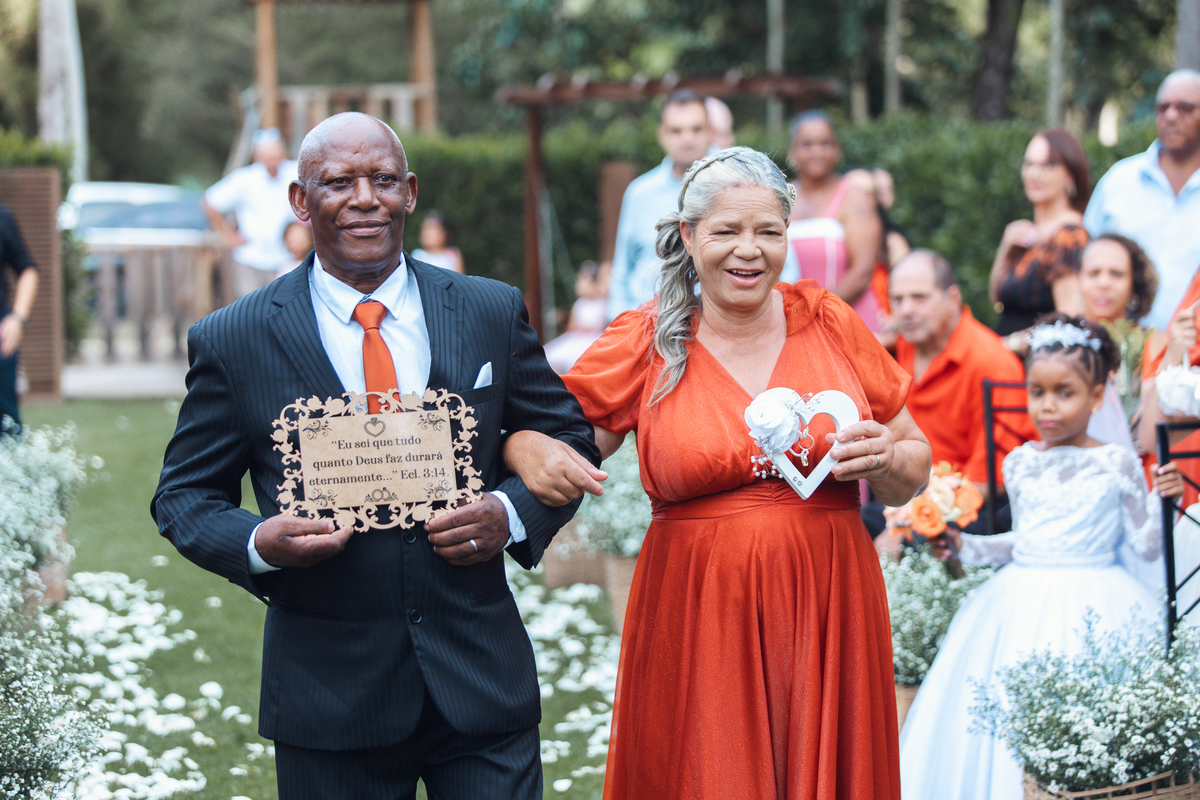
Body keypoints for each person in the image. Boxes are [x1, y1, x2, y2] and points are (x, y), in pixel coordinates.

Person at [152, 112, 599, 800]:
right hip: (330, 694)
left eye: (383, 179)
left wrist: (507, 515)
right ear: (301, 201)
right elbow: (183, 497)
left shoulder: (489, 309)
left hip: (480, 677)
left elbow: (568, 437)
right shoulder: (234, 337)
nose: (365, 199)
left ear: (409, 192)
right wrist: (259, 543)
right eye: (339, 182)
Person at [504, 147, 932, 799]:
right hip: (700, 606)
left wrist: (888, 459)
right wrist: (519, 449)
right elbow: (560, 440)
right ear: (688, 234)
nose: (749, 250)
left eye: (769, 232)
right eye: (727, 230)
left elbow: (914, 461)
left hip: (830, 600)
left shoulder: (829, 322)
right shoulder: (649, 338)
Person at [898, 315, 1183, 800]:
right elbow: (1022, 542)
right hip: (1018, 599)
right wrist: (965, 545)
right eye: (1037, 392)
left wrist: (1164, 502)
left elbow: (1147, 546)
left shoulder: (1116, 462)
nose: (1047, 406)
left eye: (1064, 393)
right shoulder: (1021, 462)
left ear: (1097, 396)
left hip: (1099, 599)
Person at [888, 250, 1037, 500]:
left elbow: (991, 481)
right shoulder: (902, 347)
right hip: (904, 496)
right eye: (897, 299)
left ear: (953, 298)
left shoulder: (994, 364)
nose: (906, 310)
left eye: (919, 297)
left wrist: (913, 514)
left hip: (966, 507)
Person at [1085, 69, 1200, 331]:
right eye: (1163, 108)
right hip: (1123, 345)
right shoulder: (1119, 181)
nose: (1171, 116)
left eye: (1185, 108)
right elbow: (1086, 262)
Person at [608, 89, 712, 318]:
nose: (687, 138)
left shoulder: (738, 187)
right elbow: (622, 270)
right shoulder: (640, 193)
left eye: (696, 129)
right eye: (676, 130)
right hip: (647, 324)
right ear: (662, 135)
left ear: (710, 132)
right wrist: (620, 323)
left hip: (717, 328)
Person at [990, 129, 1090, 351]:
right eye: (1029, 164)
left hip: (1038, 362)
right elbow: (998, 301)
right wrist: (1005, 249)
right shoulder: (1028, 233)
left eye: (1048, 165)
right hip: (1005, 359)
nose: (1035, 173)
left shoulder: (1069, 236)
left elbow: (1069, 319)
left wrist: (1008, 345)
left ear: (1071, 174)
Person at [786, 111, 886, 331]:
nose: (817, 151)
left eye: (825, 143)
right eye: (807, 144)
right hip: (788, 323)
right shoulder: (780, 197)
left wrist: (813, 312)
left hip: (844, 319)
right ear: (792, 151)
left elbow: (862, 272)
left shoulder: (855, 198)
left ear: (837, 150)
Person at [1076, 234, 1158, 450]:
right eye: (1094, 273)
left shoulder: (1155, 343)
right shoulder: (1060, 343)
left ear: (1134, 285)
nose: (1104, 283)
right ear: (1078, 280)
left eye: (1116, 274)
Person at [203, 127, 300, 297]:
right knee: (252, 308)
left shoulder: (295, 173)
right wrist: (228, 236)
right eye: (267, 154)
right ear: (257, 156)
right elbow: (210, 202)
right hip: (250, 259)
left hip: (286, 259)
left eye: (275, 152)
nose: (272, 158)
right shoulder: (245, 179)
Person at [0, 202, 37, 431]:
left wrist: (18, 319)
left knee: (7, 426)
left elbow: (27, 269)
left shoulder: (2, 218)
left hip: (1, 336)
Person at [542, 260, 610, 374]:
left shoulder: (602, 303)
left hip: (591, 339)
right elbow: (572, 325)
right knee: (551, 355)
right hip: (575, 338)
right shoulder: (579, 303)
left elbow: (602, 325)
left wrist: (586, 329)